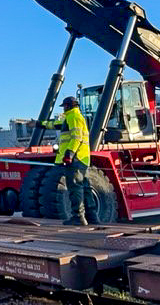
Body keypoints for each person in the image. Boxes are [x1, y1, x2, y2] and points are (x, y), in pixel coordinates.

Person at [34, 96, 96, 225]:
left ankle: (78, 217)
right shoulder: (71, 117)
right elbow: (53, 124)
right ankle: (92, 217)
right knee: (85, 187)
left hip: (76, 159)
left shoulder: (74, 117)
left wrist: (70, 154)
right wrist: (37, 123)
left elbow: (76, 138)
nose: (63, 109)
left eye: (64, 106)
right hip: (81, 158)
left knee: (75, 188)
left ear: (68, 106)